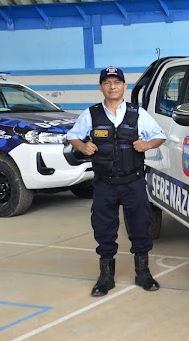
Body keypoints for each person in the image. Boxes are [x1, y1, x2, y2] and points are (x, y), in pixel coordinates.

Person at [67, 66, 166, 297]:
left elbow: (160, 135)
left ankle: (143, 273)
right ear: (101, 87)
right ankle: (106, 277)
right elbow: (72, 135)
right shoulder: (91, 114)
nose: (113, 87)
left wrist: (147, 144)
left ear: (124, 86)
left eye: (117, 83)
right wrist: (83, 146)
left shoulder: (137, 113)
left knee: (141, 225)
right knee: (104, 228)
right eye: (108, 83)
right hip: (104, 184)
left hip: (133, 182)